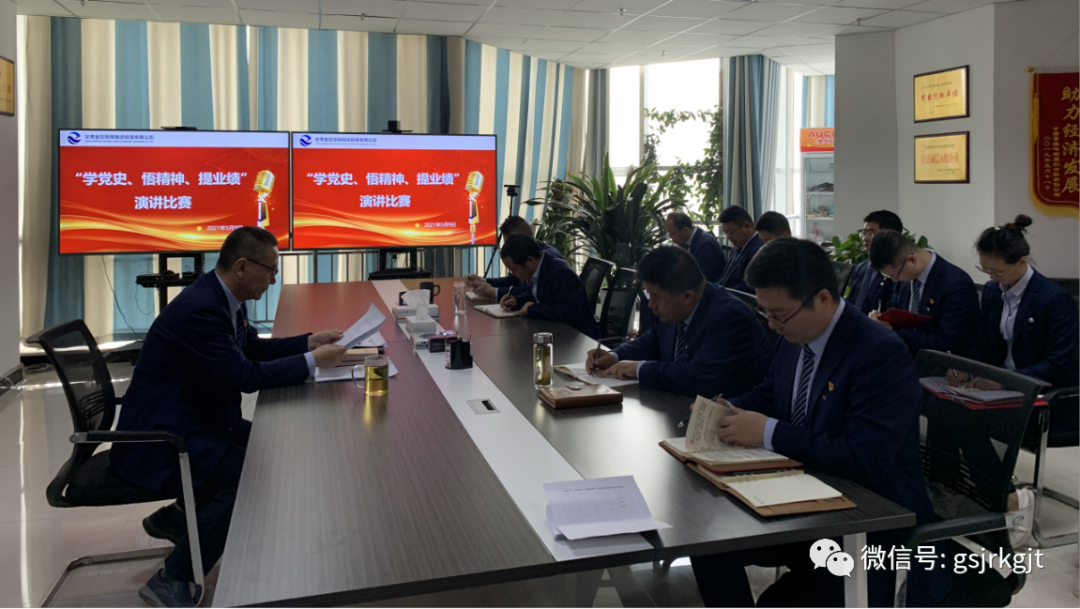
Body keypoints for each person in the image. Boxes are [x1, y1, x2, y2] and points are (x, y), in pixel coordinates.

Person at [690, 238, 945, 608]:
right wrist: (727, 409)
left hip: (869, 522)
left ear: (823, 298)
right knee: (707, 542)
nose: (772, 325)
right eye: (766, 313)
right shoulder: (795, 332)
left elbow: (863, 457)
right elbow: (771, 393)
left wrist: (767, 431)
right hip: (805, 495)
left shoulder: (878, 352)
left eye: (779, 314)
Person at [110, 227, 347, 608]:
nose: (273, 280)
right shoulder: (202, 309)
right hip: (163, 436)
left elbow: (249, 348)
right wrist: (310, 362)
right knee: (244, 478)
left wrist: (307, 343)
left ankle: (177, 518)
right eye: (270, 271)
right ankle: (172, 578)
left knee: (268, 445)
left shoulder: (223, 296)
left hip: (197, 416)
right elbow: (245, 376)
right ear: (242, 266)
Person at [948, 215, 1079, 548]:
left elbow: (1061, 365)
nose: (992, 278)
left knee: (968, 421)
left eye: (998, 271)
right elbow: (983, 341)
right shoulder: (995, 292)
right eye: (985, 270)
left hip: (1047, 398)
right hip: (1004, 389)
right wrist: (968, 370)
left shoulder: (1054, 300)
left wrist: (1008, 382)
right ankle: (967, 494)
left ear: (1021, 262)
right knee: (946, 409)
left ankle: (1009, 500)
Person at [585, 246, 771, 398]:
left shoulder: (729, 318)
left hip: (721, 417)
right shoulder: (674, 308)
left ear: (687, 296)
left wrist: (638, 369)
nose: (650, 304)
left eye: (655, 296)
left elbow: (697, 380)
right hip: (675, 405)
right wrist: (615, 356)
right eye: (649, 295)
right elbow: (653, 339)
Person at [868, 230, 979, 357]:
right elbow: (895, 311)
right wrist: (882, 319)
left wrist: (892, 331)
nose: (894, 280)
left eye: (893, 276)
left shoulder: (956, 284)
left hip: (936, 362)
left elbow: (946, 343)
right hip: (902, 354)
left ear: (911, 260)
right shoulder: (903, 274)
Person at [497, 233, 600, 339]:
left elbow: (569, 313)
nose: (512, 274)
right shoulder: (538, 270)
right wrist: (517, 301)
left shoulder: (561, 273)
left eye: (514, 269)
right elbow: (536, 295)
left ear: (530, 260)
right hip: (556, 333)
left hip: (578, 339)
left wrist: (533, 309)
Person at [466, 215, 565, 300]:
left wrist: (495, 292)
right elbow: (514, 280)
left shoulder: (548, 260)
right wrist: (484, 281)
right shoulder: (526, 254)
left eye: (510, 243)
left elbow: (532, 291)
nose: (507, 248)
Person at [847, 210, 903, 314]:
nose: (865, 238)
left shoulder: (898, 272)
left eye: (871, 233)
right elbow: (851, 301)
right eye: (864, 233)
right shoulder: (860, 268)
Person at [665, 211, 727, 283]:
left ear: (685, 230)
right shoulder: (685, 241)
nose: (671, 237)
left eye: (672, 233)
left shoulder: (706, 245)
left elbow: (701, 280)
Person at [716, 206, 763, 293]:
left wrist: (721, 295)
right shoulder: (737, 247)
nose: (729, 237)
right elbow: (725, 278)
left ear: (746, 226)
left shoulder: (759, 251)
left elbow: (747, 287)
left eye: (731, 232)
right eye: (726, 233)